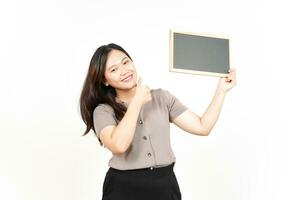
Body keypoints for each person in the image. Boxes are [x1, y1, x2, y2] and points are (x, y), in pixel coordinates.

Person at [79, 43, 237, 200]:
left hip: (165, 186)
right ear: (105, 80)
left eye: (125, 62)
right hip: (123, 189)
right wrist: (137, 102)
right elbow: (118, 145)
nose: (124, 70)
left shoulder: (162, 98)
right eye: (114, 69)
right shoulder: (102, 111)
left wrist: (221, 91)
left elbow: (203, 127)